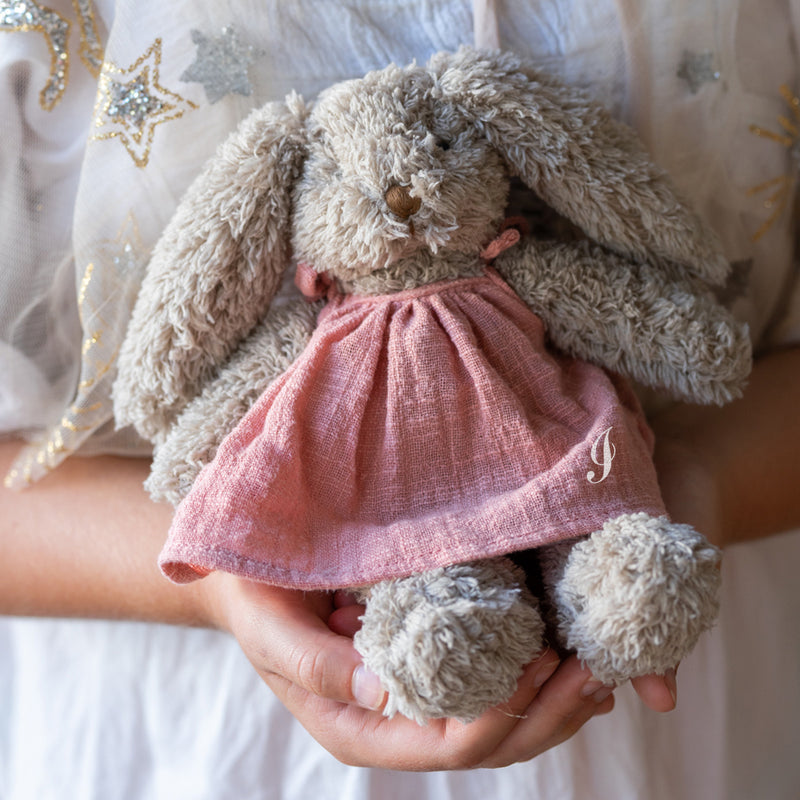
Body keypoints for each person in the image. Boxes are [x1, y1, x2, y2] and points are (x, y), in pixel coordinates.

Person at [1, 0, 799, 796]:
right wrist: (219, 573)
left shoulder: (513, 275)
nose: (408, 195)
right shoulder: (320, 333)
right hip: (203, 732)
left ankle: (622, 583)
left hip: (681, 668)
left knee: (621, 571)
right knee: (439, 623)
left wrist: (698, 484)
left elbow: (669, 330)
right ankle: (439, 625)